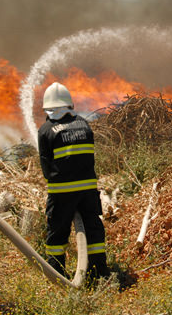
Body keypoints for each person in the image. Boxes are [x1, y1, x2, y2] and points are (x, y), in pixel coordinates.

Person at [37, 82, 110, 283]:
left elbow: (46, 167)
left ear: (48, 108)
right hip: (87, 190)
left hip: (61, 193)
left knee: (57, 234)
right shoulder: (84, 124)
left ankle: (56, 274)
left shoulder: (46, 130)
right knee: (93, 230)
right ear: (69, 105)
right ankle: (99, 272)